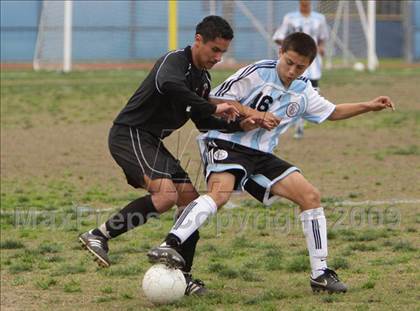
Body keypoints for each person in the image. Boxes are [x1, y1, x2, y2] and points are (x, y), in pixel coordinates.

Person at [148, 32, 395, 294]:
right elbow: (213, 100)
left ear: (309, 66)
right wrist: (253, 114)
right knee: (219, 194)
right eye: (288, 62)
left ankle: (321, 274)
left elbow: (332, 112)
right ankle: (170, 243)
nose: (291, 70)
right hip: (224, 141)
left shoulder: (303, 90)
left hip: (261, 155)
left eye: (300, 66)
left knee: (310, 196)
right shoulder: (256, 73)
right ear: (280, 53)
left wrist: (368, 106)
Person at [78, 15, 279, 296]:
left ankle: (183, 278)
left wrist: (239, 124)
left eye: (223, 52)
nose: (219, 58)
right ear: (198, 41)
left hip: (152, 142)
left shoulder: (203, 79)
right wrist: (215, 106)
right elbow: (171, 87)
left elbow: (202, 120)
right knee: (166, 196)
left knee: (190, 205)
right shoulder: (174, 62)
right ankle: (99, 235)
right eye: (215, 50)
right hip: (130, 134)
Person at [272, 0, 329, 139]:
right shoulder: (290, 18)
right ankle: (295, 123)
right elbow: (278, 37)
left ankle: (300, 122)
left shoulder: (320, 18)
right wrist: (292, 48)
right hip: (293, 65)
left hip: (311, 64)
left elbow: (322, 38)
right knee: (291, 93)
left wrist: (321, 48)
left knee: (312, 95)